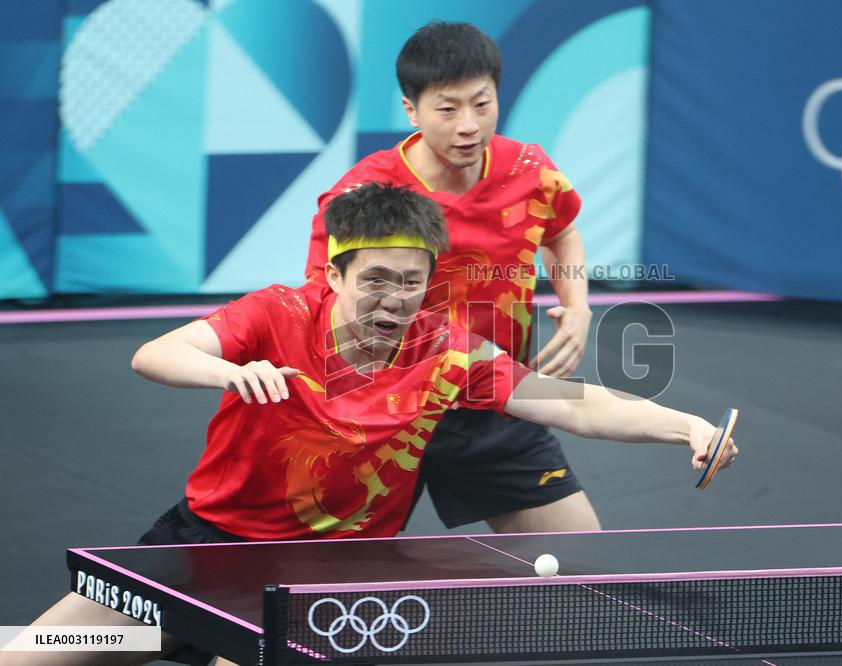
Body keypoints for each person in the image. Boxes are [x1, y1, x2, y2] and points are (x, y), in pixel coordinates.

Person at [1, 183, 736, 666]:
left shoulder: (447, 351)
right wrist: (229, 371)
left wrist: (685, 427)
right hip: (203, 552)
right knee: (41, 655)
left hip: (324, 581)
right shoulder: (276, 312)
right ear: (336, 275)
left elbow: (574, 402)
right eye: (375, 280)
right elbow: (153, 354)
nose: (393, 299)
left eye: (410, 282)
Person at [306, 22, 600, 534]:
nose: (469, 126)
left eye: (481, 104)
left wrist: (576, 304)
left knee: (582, 555)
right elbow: (322, 299)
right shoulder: (363, 198)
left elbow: (563, 231)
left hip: (492, 397)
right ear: (411, 111)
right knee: (323, 577)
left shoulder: (530, 170)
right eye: (447, 109)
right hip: (380, 409)